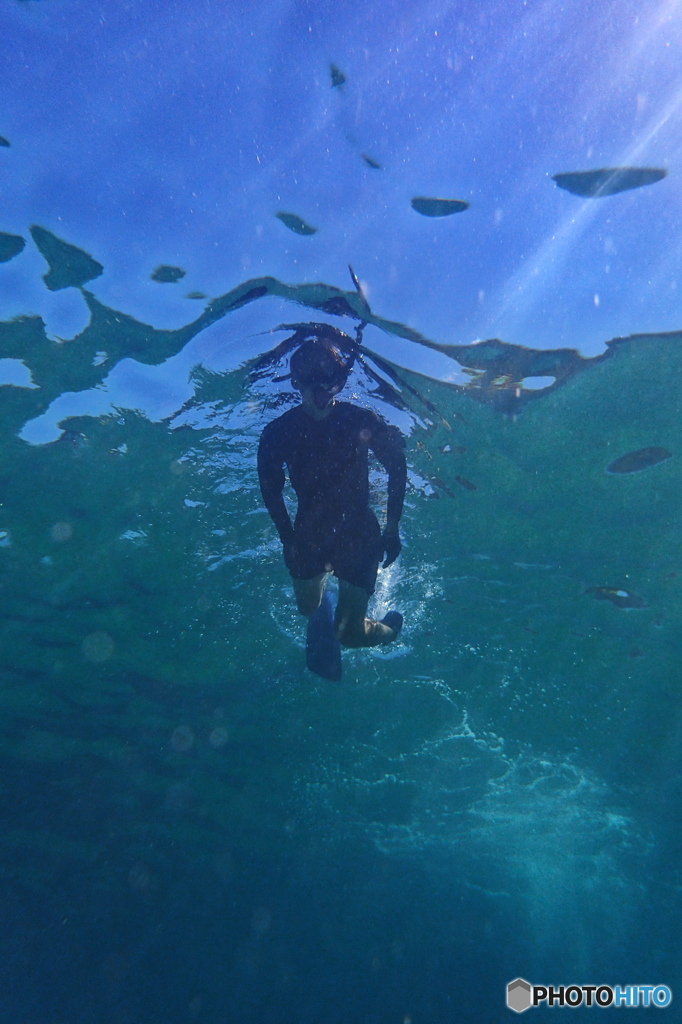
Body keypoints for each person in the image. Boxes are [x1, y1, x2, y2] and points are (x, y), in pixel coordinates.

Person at [257, 330, 406, 647]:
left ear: (338, 383)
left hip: (358, 533)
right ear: (297, 383)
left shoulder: (359, 420)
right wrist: (288, 540)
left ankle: (389, 629)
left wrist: (392, 528)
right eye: (310, 382)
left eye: (327, 381)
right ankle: (333, 599)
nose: (319, 392)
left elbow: (397, 465)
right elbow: (271, 491)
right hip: (308, 532)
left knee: (349, 636)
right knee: (306, 608)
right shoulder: (277, 433)